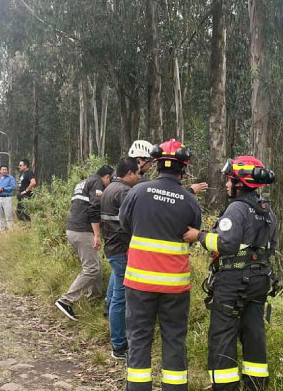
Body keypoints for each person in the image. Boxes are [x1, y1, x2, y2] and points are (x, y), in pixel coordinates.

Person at [183, 156, 278, 391]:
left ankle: (225, 387)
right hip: (259, 280)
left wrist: (199, 236)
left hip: (233, 281)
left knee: (222, 335)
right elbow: (271, 247)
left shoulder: (237, 209)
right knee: (254, 332)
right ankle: (256, 385)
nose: (226, 185)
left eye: (229, 180)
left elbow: (226, 244)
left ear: (240, 183)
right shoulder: (267, 211)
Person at [119, 139, 202, 391]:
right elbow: (194, 232)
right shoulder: (190, 201)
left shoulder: (137, 192)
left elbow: (125, 225)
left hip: (139, 283)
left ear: (156, 164)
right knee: (175, 340)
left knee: (139, 339)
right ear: (183, 168)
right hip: (174, 287)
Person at [55, 164, 114, 321]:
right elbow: (94, 208)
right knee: (92, 268)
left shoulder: (83, 182)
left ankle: (93, 299)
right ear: (107, 177)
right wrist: (97, 234)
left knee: (96, 266)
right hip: (83, 231)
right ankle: (66, 301)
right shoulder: (97, 183)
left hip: (72, 229)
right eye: (111, 180)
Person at [101, 157, 141, 359]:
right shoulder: (125, 192)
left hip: (112, 246)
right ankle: (119, 345)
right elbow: (134, 219)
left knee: (116, 290)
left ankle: (108, 315)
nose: (139, 177)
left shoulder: (110, 188)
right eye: (138, 173)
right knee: (121, 297)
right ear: (130, 173)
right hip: (121, 248)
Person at [129, 139, 209, 194]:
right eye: (149, 161)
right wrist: (190, 191)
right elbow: (167, 200)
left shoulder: (137, 189)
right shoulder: (139, 185)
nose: (151, 164)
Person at [0, 164, 16, 232]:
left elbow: (13, 187)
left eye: (6, 169)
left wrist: (3, 188)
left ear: (7, 170)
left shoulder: (10, 178)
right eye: (3, 169)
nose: (4, 171)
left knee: (8, 215)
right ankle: (2, 231)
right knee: (0, 215)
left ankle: (11, 231)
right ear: (0, 170)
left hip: (7, 198)